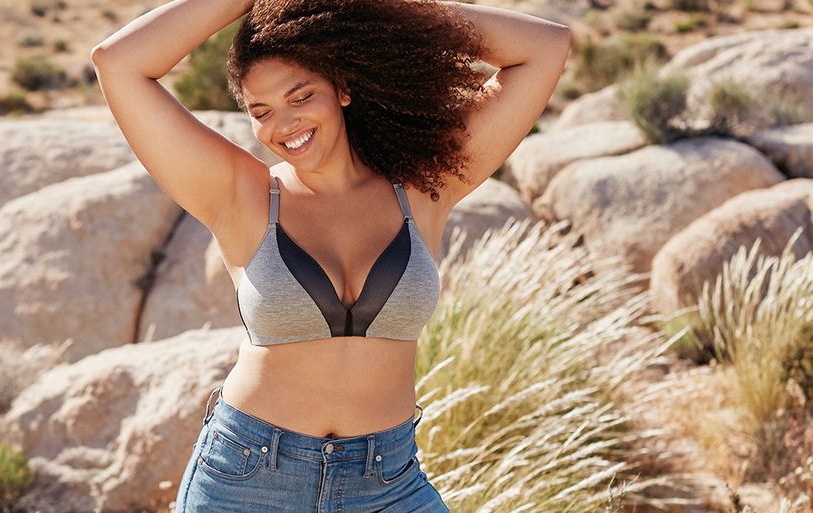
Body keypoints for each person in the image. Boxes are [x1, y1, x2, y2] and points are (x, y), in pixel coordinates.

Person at [91, 0, 570, 510]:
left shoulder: (425, 185)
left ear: (343, 89)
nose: (285, 124)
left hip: (388, 481)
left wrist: (360, 8)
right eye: (261, 111)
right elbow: (118, 63)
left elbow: (545, 48)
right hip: (249, 478)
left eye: (301, 96)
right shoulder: (240, 194)